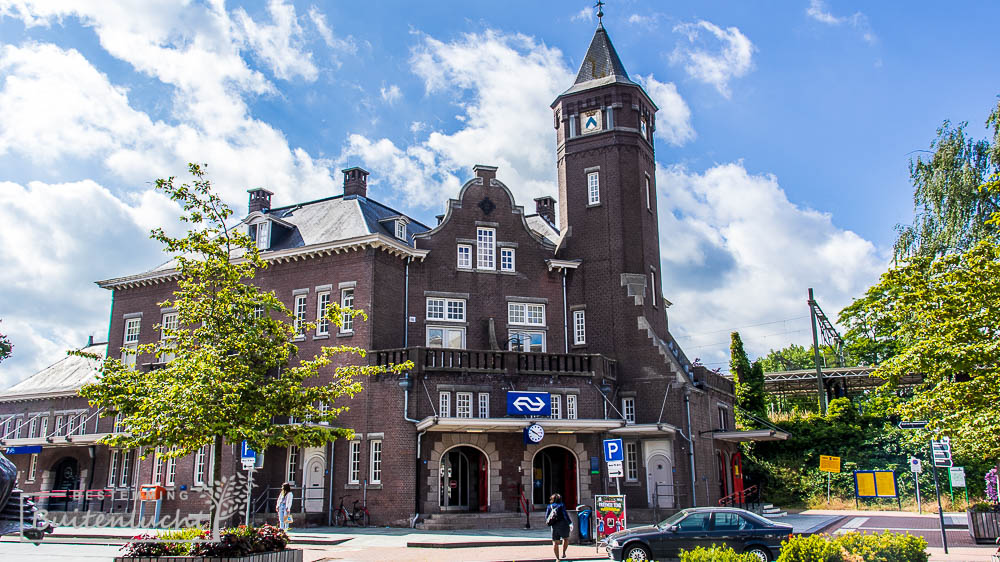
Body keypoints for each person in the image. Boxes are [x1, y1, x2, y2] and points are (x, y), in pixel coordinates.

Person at [545, 493, 572, 560]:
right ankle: (563, 553)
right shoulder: (561, 505)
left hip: (554, 525)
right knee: (565, 538)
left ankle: (557, 558)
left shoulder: (549, 506)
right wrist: (570, 523)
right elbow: (565, 515)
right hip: (563, 524)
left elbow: (546, 516)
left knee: (555, 542)